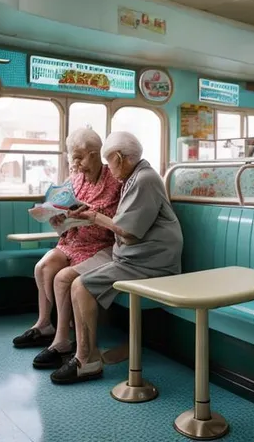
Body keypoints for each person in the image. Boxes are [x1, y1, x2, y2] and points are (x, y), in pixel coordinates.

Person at [50, 132, 183, 384]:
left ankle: (86, 360)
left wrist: (92, 217)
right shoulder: (136, 177)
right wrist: (89, 213)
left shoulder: (144, 179)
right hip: (134, 260)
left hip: (149, 263)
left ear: (120, 158)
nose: (109, 168)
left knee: (81, 285)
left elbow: (130, 234)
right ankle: (86, 355)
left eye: (109, 162)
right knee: (76, 283)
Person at [12, 128, 121, 371]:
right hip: (72, 241)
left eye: (80, 157)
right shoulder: (75, 180)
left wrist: (90, 213)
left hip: (99, 246)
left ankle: (62, 338)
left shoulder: (114, 181)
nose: (76, 163)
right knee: (43, 266)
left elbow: (119, 221)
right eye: (72, 157)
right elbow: (65, 212)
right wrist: (57, 220)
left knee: (62, 278)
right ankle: (44, 325)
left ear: (95, 155)